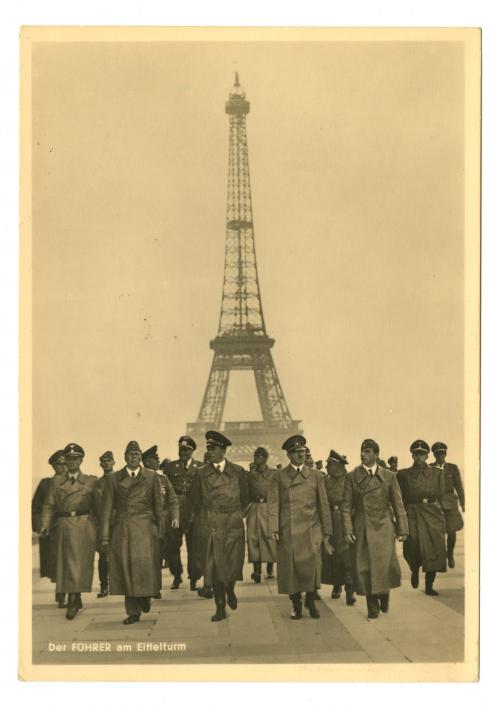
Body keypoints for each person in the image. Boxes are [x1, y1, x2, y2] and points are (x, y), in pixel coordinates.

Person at [341, 439, 408, 619]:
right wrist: (347, 530)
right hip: (362, 527)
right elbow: (346, 507)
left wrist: (403, 529)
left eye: (368, 451)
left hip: (384, 526)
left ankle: (383, 593)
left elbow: (398, 504)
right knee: (364, 566)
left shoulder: (388, 476)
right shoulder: (351, 476)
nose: (363, 454)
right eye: (362, 451)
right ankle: (372, 603)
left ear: (377, 455)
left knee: (384, 564)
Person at [186, 431, 249, 622]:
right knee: (214, 568)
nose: (209, 452)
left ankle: (230, 589)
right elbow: (194, 500)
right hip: (211, 524)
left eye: (213, 449)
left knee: (231, 565)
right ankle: (220, 606)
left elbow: (246, 497)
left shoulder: (238, 471)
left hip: (232, 523)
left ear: (223, 450)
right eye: (208, 449)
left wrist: (236, 514)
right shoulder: (200, 473)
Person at [268, 435, 333, 620]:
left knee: (312, 567)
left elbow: (323, 504)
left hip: (311, 529)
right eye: (296, 452)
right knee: (290, 569)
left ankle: (311, 600)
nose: (300, 455)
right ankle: (296, 603)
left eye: (303, 452)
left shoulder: (316, 476)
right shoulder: (278, 477)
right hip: (287, 529)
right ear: (289, 455)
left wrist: (327, 531)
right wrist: (274, 527)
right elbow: (273, 504)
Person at [100, 441, 163, 624]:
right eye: (130, 454)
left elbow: (158, 505)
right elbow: (106, 509)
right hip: (124, 528)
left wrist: (161, 530)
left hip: (145, 528)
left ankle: (145, 596)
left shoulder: (151, 477)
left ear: (140, 457)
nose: (133, 457)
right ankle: (133, 611)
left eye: (136, 454)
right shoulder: (114, 479)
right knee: (127, 568)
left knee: (144, 567)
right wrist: (104, 535)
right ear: (125, 457)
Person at [40, 443, 98, 620]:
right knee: (66, 565)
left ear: (81, 460)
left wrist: (100, 529)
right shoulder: (56, 482)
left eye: (75, 458)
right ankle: (74, 597)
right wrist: (45, 524)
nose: (72, 462)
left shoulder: (91, 481)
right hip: (63, 526)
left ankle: (74, 598)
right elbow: (48, 504)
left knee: (80, 564)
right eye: (69, 458)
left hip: (83, 526)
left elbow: (99, 506)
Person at [397, 440, 447, 596]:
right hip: (412, 512)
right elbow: (399, 496)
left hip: (432, 512)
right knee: (412, 545)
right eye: (416, 455)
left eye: (422, 454)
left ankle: (429, 585)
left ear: (427, 456)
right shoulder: (404, 474)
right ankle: (414, 568)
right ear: (412, 456)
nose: (419, 458)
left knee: (434, 547)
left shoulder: (437, 473)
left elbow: (441, 494)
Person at [163, 436, 202, 590]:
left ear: (192, 451)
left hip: (192, 506)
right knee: (172, 543)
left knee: (194, 545)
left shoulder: (200, 467)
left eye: (186, 450)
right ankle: (177, 575)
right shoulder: (171, 467)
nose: (183, 452)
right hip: (176, 507)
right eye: (181, 449)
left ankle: (194, 577)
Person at [141, 445, 179, 597]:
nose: (157, 461)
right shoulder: (140, 479)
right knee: (148, 556)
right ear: (146, 462)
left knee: (160, 554)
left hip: (162, 522)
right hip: (145, 522)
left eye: (157, 458)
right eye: (154, 459)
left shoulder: (163, 479)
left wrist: (175, 517)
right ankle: (150, 586)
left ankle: (156, 586)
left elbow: (172, 500)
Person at [31, 449, 67, 607]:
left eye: (66, 464)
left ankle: (72, 595)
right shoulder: (46, 484)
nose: (64, 467)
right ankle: (61, 594)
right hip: (52, 531)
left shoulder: (73, 482)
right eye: (60, 464)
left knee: (72, 562)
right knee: (58, 564)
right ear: (53, 466)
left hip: (71, 528)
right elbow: (36, 508)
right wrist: (41, 526)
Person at [321, 450, 356, 606]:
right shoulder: (325, 481)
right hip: (329, 519)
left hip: (345, 519)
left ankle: (349, 588)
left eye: (330, 464)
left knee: (346, 555)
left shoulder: (350, 480)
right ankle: (337, 584)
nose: (327, 466)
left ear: (339, 465)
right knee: (331, 555)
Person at [430, 441, 465, 568]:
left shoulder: (453, 468)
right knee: (437, 532)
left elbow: (459, 486)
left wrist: (463, 503)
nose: (440, 456)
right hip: (435, 504)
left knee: (451, 531)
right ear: (434, 455)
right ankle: (440, 554)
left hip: (450, 503)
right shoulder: (430, 468)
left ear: (445, 454)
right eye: (437, 454)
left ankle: (450, 554)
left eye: (442, 453)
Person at [246, 447, 276, 582]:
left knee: (269, 537)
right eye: (254, 456)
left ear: (264, 458)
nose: (255, 458)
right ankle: (256, 570)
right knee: (253, 538)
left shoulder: (273, 474)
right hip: (254, 507)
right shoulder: (250, 475)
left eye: (257, 456)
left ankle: (270, 566)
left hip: (268, 507)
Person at [93, 450, 115, 598]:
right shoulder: (97, 484)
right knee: (103, 556)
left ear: (114, 463)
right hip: (102, 524)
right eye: (104, 462)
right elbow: (94, 505)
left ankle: (119, 583)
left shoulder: (120, 479)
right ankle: (104, 586)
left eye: (109, 461)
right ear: (101, 464)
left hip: (118, 522)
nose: (106, 464)